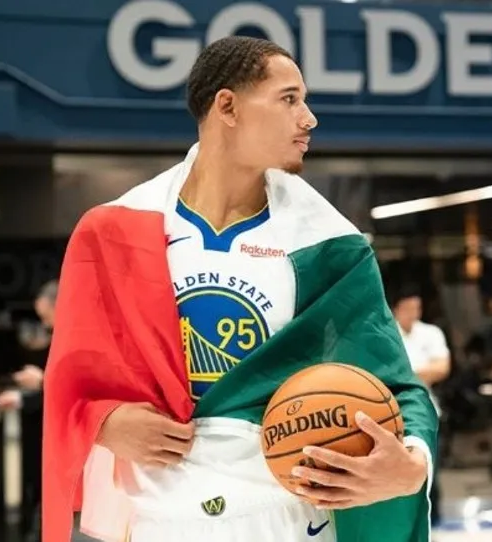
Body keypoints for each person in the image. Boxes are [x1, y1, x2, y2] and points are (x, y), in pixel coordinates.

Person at [41, 36, 437, 542]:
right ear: (227, 106)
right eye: (289, 99)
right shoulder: (114, 231)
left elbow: (398, 387)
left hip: (289, 518)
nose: (309, 118)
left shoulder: (328, 244)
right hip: (160, 519)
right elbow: (72, 380)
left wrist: (412, 463)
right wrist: (106, 423)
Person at [0, 279, 58, 542]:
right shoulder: (57, 337)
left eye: (45, 316)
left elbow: (81, 388)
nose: (44, 324)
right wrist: (25, 396)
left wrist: (41, 382)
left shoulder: (77, 335)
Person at [390, 286, 450, 526]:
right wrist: (421, 373)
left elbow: (442, 368)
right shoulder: (385, 331)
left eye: (418, 307)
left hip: (426, 411)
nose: (414, 312)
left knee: (430, 470)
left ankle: (433, 523)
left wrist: (405, 375)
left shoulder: (431, 332)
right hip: (391, 414)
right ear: (397, 308)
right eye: (409, 307)